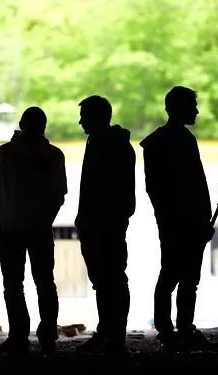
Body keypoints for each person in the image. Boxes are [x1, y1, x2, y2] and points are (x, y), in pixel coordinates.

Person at [140, 86, 218, 352]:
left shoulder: (159, 141)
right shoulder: (179, 140)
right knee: (180, 276)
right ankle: (175, 328)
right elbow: (186, 185)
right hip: (181, 220)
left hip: (179, 220)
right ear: (179, 108)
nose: (196, 111)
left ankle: (174, 329)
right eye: (192, 106)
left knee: (178, 275)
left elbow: (161, 187)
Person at [0, 106, 67, 354]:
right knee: (44, 282)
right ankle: (48, 334)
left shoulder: (3, 154)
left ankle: (19, 336)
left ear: (21, 124)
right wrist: (45, 220)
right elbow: (58, 195)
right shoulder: (53, 155)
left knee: (13, 284)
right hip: (39, 229)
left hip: (9, 228)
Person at [74, 96, 136, 354]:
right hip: (103, 222)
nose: (80, 122)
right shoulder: (110, 144)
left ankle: (113, 337)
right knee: (107, 280)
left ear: (96, 118)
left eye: (84, 116)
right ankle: (110, 334)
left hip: (104, 223)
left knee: (110, 280)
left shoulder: (107, 146)